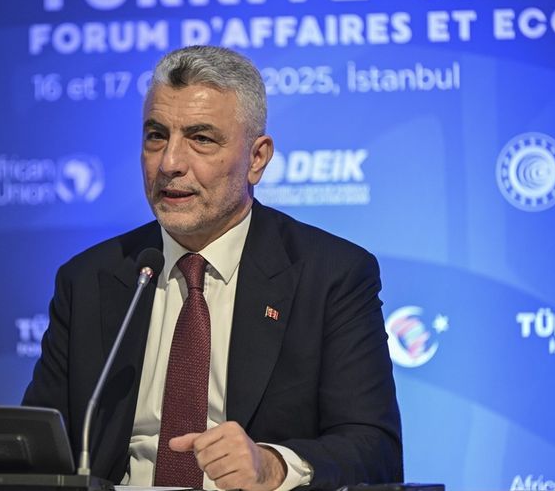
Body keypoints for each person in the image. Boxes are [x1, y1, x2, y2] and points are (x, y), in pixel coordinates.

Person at [23, 45, 402, 491]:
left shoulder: (331, 276)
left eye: (201, 139)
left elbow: (374, 451)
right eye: (156, 136)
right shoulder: (89, 279)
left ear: (257, 159)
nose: (170, 163)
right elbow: (40, 449)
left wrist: (273, 465)